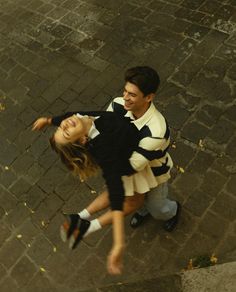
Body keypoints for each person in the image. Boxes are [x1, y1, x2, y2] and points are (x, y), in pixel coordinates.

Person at [32, 111, 147, 275]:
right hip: (128, 166)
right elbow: (116, 194)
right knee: (134, 201)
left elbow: (69, 115)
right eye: (65, 132)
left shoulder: (79, 118)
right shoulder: (104, 145)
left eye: (61, 126)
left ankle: (78, 218)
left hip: (122, 161)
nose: (64, 124)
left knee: (125, 195)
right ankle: (88, 227)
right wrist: (119, 242)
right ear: (82, 140)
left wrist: (49, 120)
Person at [107, 66, 180, 231]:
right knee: (137, 201)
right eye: (125, 91)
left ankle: (173, 211)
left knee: (158, 208)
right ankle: (142, 210)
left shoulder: (156, 130)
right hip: (129, 169)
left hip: (153, 173)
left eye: (132, 95)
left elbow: (132, 165)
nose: (125, 98)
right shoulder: (117, 105)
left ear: (149, 97)